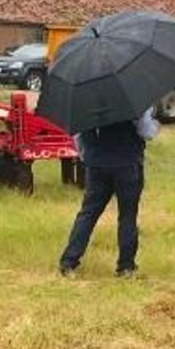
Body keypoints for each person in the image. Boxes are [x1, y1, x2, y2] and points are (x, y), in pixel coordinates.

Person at [58, 106, 159, 277]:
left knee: (88, 214)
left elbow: (79, 135)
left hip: (97, 164)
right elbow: (146, 132)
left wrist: (88, 156)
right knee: (127, 215)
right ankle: (126, 267)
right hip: (127, 163)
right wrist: (155, 125)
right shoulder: (133, 98)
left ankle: (68, 262)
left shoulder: (87, 98)